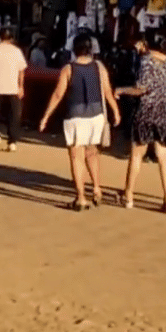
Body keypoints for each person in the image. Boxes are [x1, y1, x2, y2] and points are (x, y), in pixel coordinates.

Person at [39, 33, 121, 211]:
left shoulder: (68, 69)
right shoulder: (99, 67)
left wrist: (45, 116)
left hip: (75, 116)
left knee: (77, 157)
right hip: (96, 115)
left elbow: (58, 94)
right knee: (92, 154)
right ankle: (97, 188)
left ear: (74, 50)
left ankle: (81, 197)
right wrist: (115, 111)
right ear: (90, 49)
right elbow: (107, 91)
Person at [115, 33, 166, 214]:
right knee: (164, 156)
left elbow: (141, 88)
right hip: (164, 110)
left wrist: (121, 90)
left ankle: (129, 195)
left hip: (146, 110)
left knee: (136, 155)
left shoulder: (146, 61)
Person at [0, 27, 27, 151]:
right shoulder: (17, 51)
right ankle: (12, 141)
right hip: (13, 87)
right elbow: (22, 71)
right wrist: (21, 86)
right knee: (14, 115)